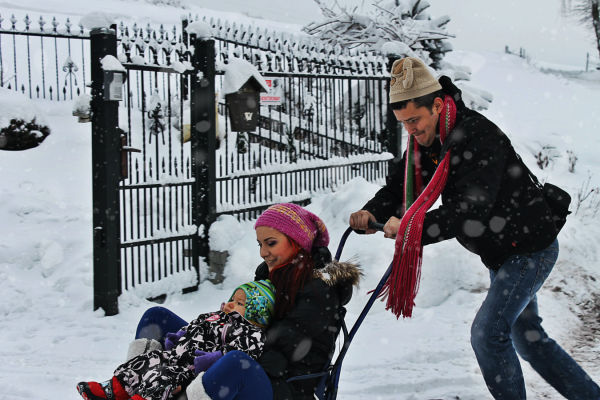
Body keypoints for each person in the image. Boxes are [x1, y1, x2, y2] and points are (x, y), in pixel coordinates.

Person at [349, 56, 600, 399]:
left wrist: (411, 230)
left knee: (488, 335)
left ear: (437, 105)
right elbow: (398, 189)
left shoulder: (478, 137)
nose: (411, 130)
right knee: (529, 341)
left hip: (530, 248)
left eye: (415, 120)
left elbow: (470, 213)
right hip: (502, 252)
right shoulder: (428, 142)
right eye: (403, 123)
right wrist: (369, 213)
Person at [130, 203, 361, 400]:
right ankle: (136, 384)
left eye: (271, 243)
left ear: (297, 242)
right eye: (260, 244)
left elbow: (281, 347)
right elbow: (247, 325)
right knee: (157, 318)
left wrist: (216, 354)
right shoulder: (273, 275)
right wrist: (216, 329)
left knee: (234, 362)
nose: (263, 252)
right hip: (251, 358)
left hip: (286, 385)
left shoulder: (319, 291)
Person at [76, 279, 275, 400]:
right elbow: (194, 326)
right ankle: (113, 389)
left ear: (256, 313)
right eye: (232, 299)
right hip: (176, 355)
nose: (231, 304)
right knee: (145, 361)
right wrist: (178, 337)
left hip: (191, 368)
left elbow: (238, 354)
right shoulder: (216, 317)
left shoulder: (251, 332)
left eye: (240, 303)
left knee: (161, 379)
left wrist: (207, 361)